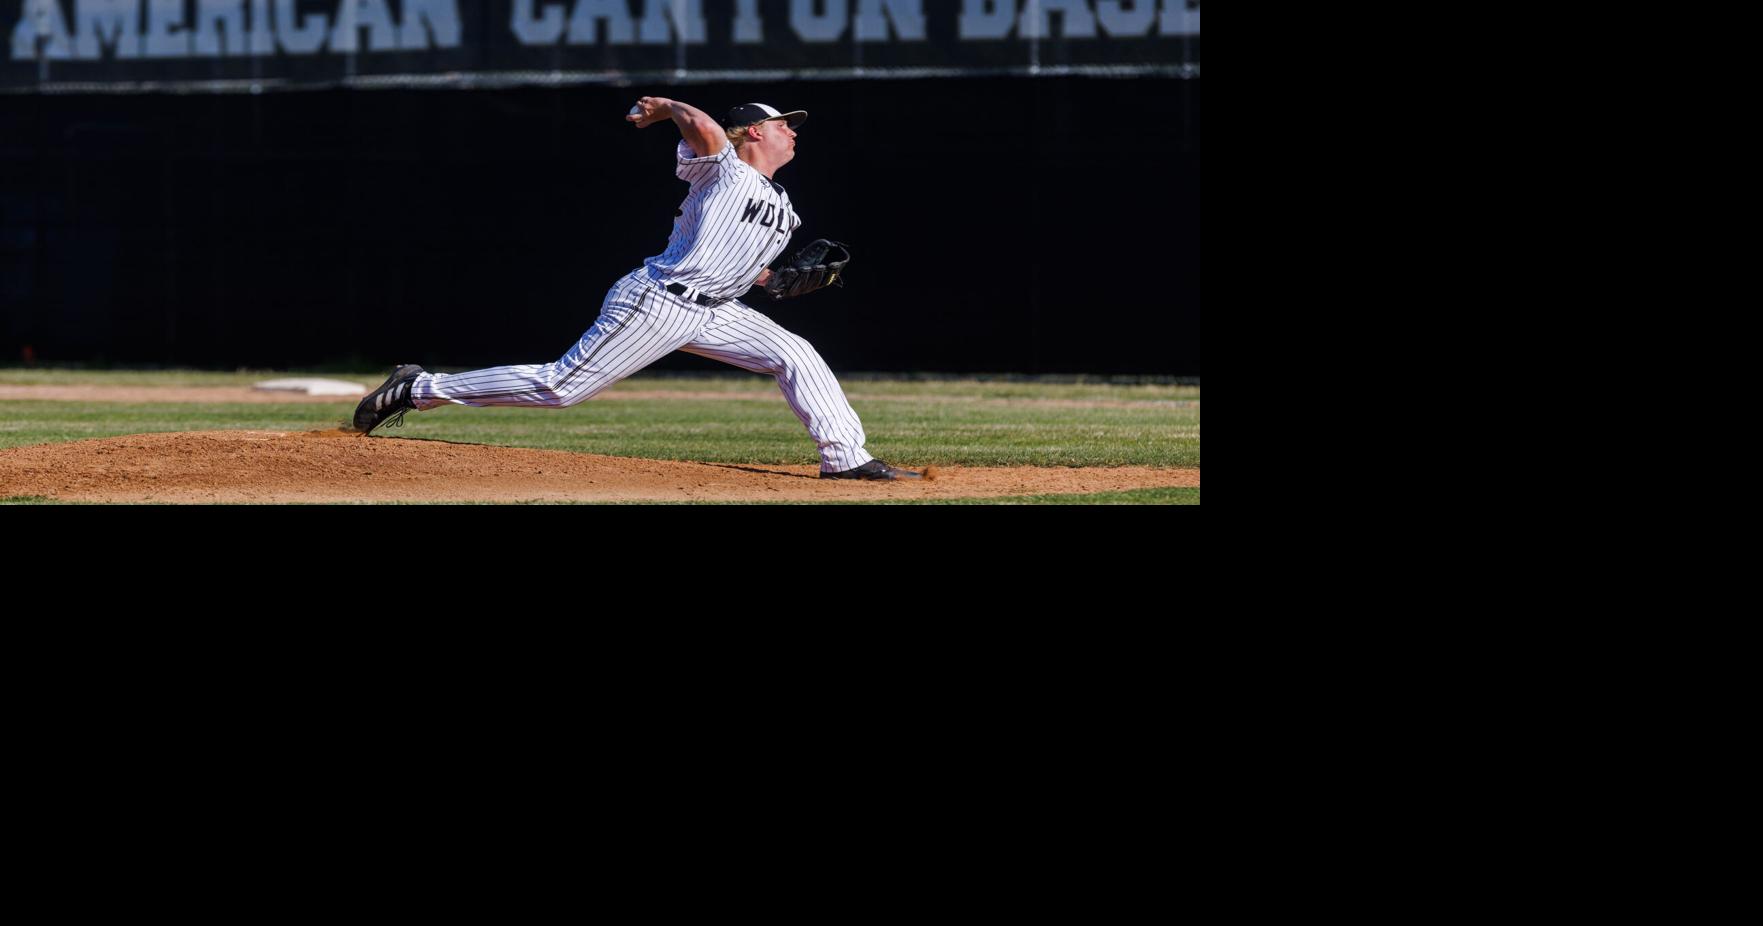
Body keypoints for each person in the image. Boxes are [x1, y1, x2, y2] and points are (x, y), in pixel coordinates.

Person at [352, 98, 920, 481]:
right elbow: (704, 130)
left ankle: (846, 459)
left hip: (716, 309)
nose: (792, 131)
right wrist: (670, 107)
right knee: (561, 388)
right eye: (782, 124)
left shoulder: (785, 210)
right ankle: (419, 387)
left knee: (796, 353)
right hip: (660, 299)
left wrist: (780, 282)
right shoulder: (722, 167)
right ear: (752, 132)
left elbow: (746, 271)